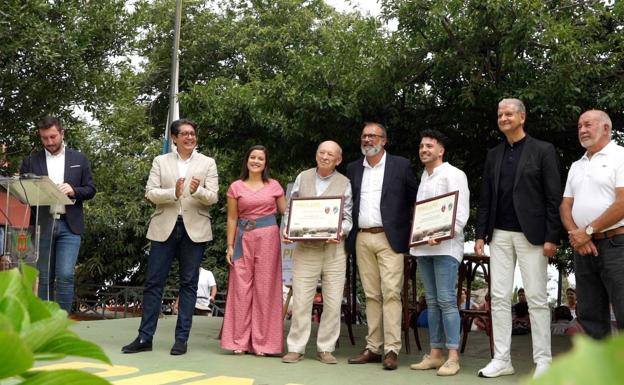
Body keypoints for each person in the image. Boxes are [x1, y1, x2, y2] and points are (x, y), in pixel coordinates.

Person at [475, 98, 562, 378]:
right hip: (498, 234)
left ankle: (544, 361)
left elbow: (553, 198)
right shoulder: (493, 154)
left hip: (533, 236)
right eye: (500, 114)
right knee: (499, 297)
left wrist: (552, 236)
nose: (503, 118)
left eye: (509, 113)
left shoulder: (543, 150)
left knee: (536, 297)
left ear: (522, 117)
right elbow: (486, 197)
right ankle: (502, 359)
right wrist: (479, 234)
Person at [122, 119, 219, 355]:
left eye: (192, 133)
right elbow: (150, 193)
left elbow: (214, 197)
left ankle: (181, 339)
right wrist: (172, 193)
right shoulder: (160, 161)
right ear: (174, 138)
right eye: (184, 134)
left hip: (194, 230)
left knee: (188, 284)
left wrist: (198, 191)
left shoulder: (208, 163)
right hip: (164, 227)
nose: (189, 137)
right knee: (154, 283)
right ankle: (145, 338)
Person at [346, 122, 418, 370]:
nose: (367, 140)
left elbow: (415, 201)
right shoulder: (353, 168)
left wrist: (412, 234)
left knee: (390, 293)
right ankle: (373, 348)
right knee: (371, 295)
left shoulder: (401, 165)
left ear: (384, 140)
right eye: (364, 136)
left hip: (391, 238)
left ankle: (391, 350)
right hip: (362, 237)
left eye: (373, 136)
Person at [281, 140, 353, 365]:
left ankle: (325, 348)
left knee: (332, 300)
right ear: (316, 155)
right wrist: (287, 230)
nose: (325, 156)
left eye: (330, 154)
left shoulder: (345, 183)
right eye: (321, 152)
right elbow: (291, 209)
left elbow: (348, 217)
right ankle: (296, 347)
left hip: (334, 249)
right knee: (301, 298)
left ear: (338, 159)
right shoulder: (303, 177)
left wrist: (340, 232)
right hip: (305, 249)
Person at [19, 116, 96, 313]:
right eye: (45, 138)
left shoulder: (79, 159)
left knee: (65, 275)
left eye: (53, 137)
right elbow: (22, 192)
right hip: (41, 224)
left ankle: (61, 321)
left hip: (70, 225)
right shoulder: (30, 161)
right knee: (44, 276)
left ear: (62, 133)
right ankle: (46, 322)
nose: (49, 142)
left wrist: (73, 190)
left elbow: (90, 189)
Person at [409, 130, 469, 376]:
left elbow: (460, 213)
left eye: (429, 146)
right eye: (422, 146)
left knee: (446, 301)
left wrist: (443, 233)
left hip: (446, 247)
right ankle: (435, 354)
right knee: (431, 303)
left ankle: (453, 356)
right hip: (423, 248)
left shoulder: (454, 174)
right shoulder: (424, 176)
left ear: (441, 150)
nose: (424, 149)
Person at [559, 109, 624, 339]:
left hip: (617, 245)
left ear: (606, 128)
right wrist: (577, 236)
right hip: (584, 249)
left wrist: (587, 230)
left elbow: (622, 202)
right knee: (590, 317)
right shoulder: (577, 165)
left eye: (588, 125)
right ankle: (600, 374)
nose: (582, 130)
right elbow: (565, 206)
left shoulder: (621, 156)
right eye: (579, 126)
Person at [220, 145, 286, 356]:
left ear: (266, 163)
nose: (256, 161)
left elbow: (288, 213)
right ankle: (239, 341)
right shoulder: (236, 187)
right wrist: (230, 245)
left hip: (268, 237)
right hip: (242, 238)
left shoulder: (274, 186)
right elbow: (232, 218)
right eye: (252, 157)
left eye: (260, 158)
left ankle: (264, 344)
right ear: (247, 160)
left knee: (265, 288)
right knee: (240, 287)